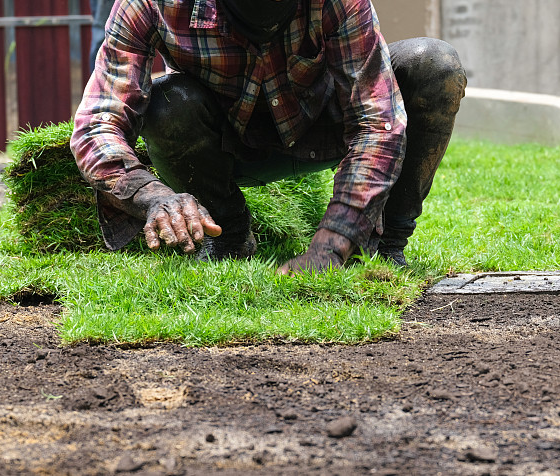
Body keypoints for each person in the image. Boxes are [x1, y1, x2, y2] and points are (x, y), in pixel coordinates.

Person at [71, 0, 466, 274]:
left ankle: (386, 246)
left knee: (433, 64)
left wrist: (334, 240)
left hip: (323, 125)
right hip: (227, 141)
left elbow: (376, 120)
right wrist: (153, 196)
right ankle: (227, 234)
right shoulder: (155, 4)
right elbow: (97, 122)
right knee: (166, 104)